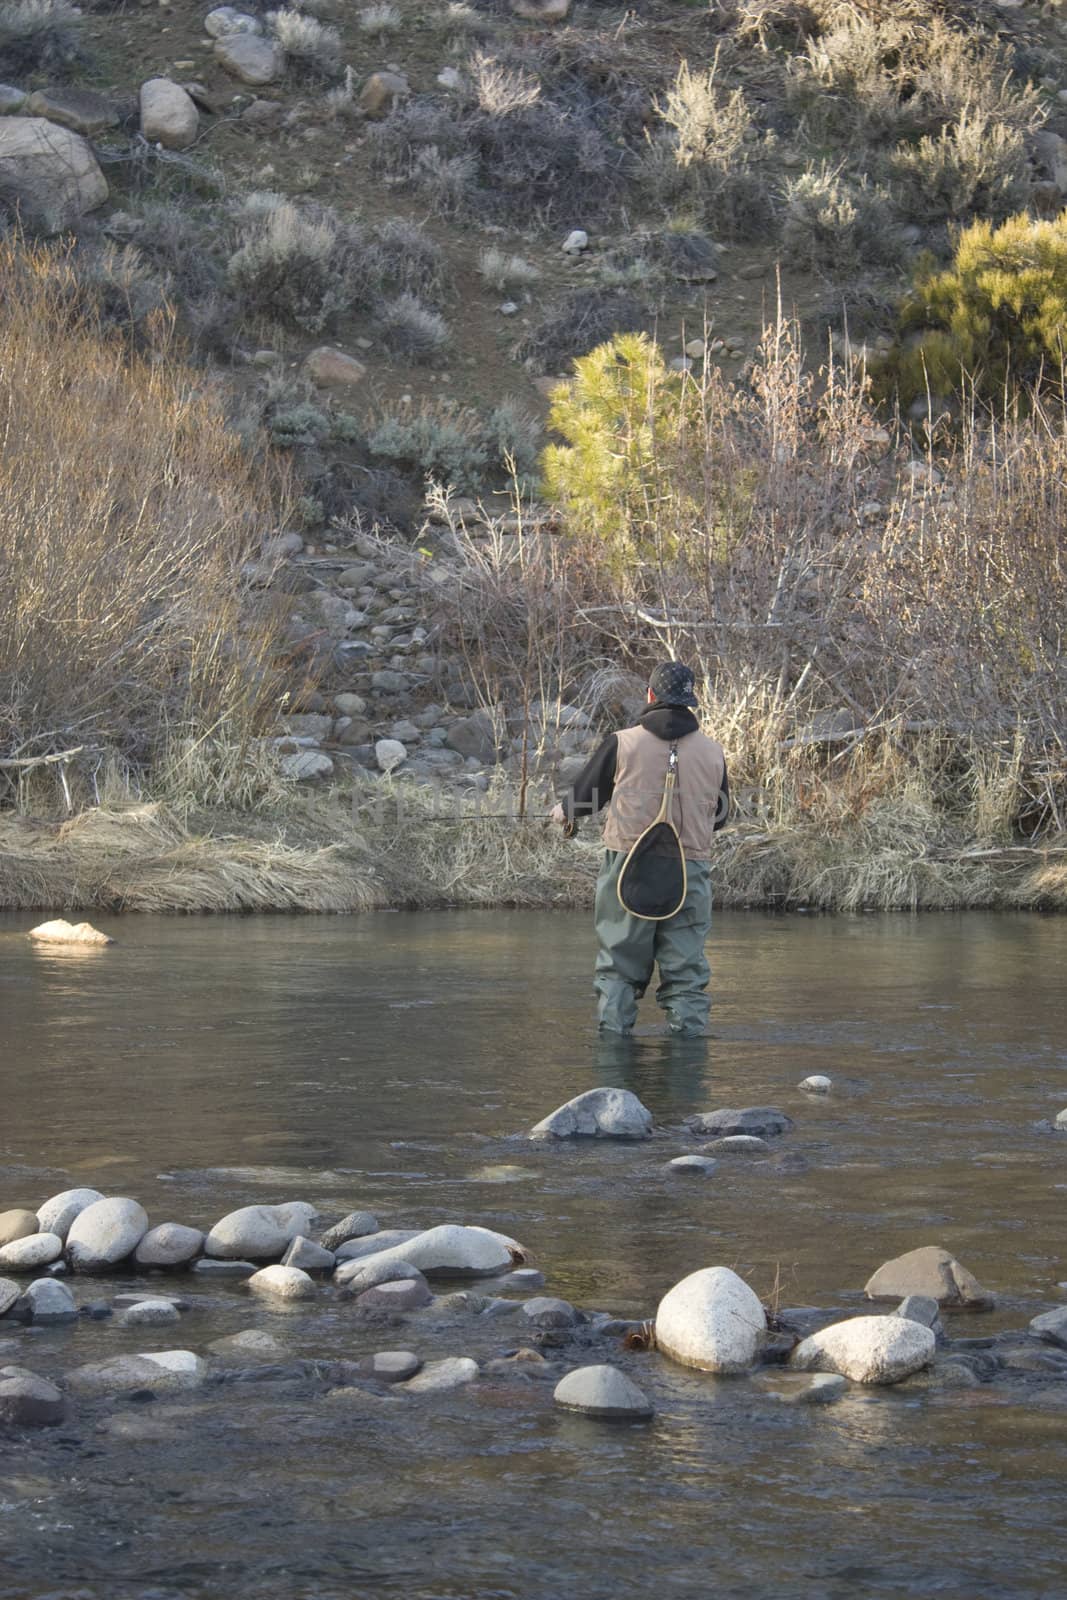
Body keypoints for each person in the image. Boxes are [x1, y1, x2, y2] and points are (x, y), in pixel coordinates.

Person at [550, 661, 729, 1037]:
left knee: (618, 967)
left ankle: (615, 1060)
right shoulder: (714, 753)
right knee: (687, 974)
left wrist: (563, 812)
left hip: (626, 869)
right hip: (690, 872)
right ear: (690, 701)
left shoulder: (623, 742)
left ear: (650, 696)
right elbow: (721, 818)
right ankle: (687, 1066)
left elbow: (584, 800)